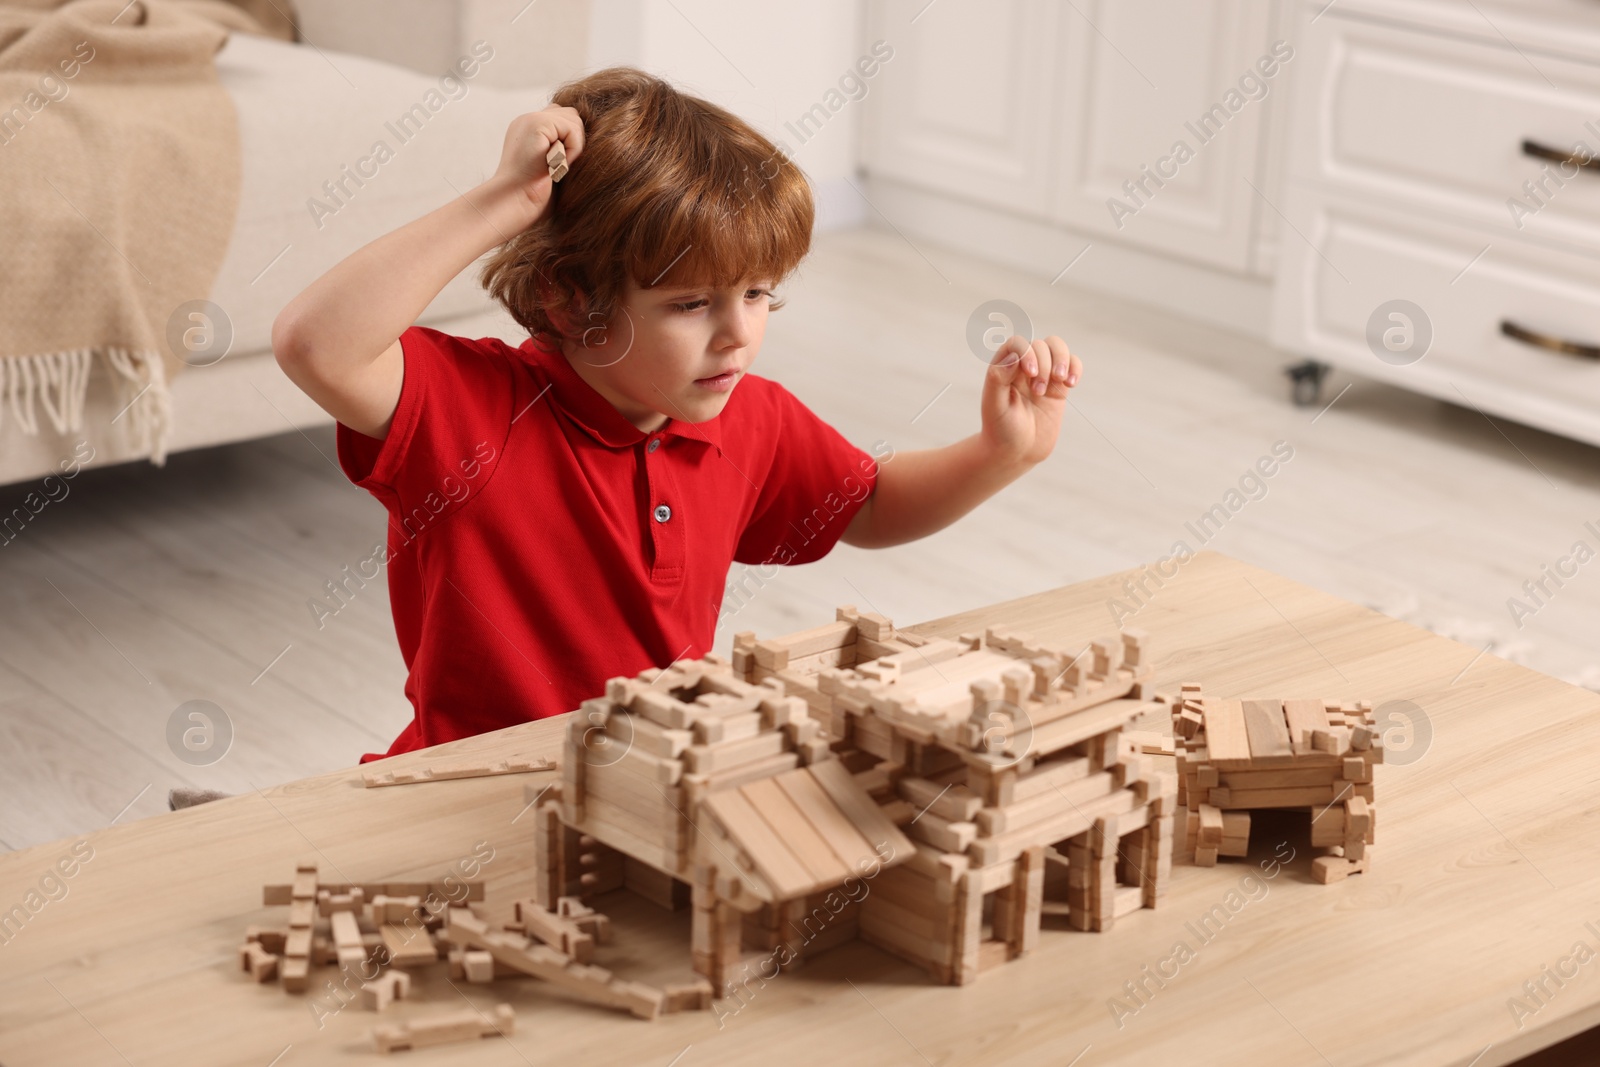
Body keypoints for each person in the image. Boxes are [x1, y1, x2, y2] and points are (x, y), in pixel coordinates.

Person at [272, 67, 1082, 761]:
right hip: (468, 787)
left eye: (759, 293)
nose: (739, 334)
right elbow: (316, 343)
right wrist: (503, 201)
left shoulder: (752, 420)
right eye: (691, 303)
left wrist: (998, 454)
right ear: (569, 296)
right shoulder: (471, 409)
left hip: (658, 782)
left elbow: (867, 505)